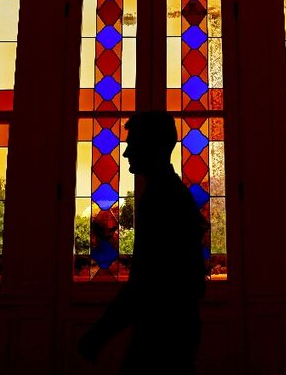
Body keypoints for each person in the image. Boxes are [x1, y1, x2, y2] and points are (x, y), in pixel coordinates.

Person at [78, 111, 208, 374]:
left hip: (162, 335)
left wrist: (100, 333)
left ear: (153, 147)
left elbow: (147, 281)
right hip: (172, 330)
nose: (126, 153)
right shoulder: (169, 194)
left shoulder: (162, 199)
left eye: (132, 143)